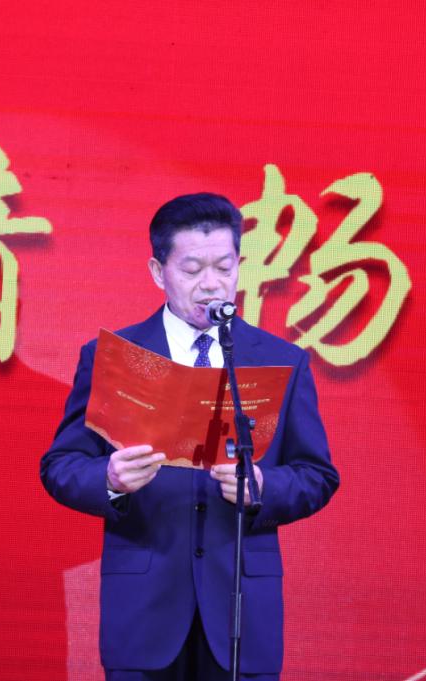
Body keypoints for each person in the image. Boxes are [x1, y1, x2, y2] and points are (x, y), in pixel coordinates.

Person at [41, 192, 339, 680]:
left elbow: (317, 475)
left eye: (224, 267)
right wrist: (110, 479)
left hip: (241, 612)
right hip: (144, 609)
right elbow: (61, 466)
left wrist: (266, 488)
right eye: (192, 269)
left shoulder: (280, 360)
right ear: (159, 272)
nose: (211, 284)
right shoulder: (115, 356)